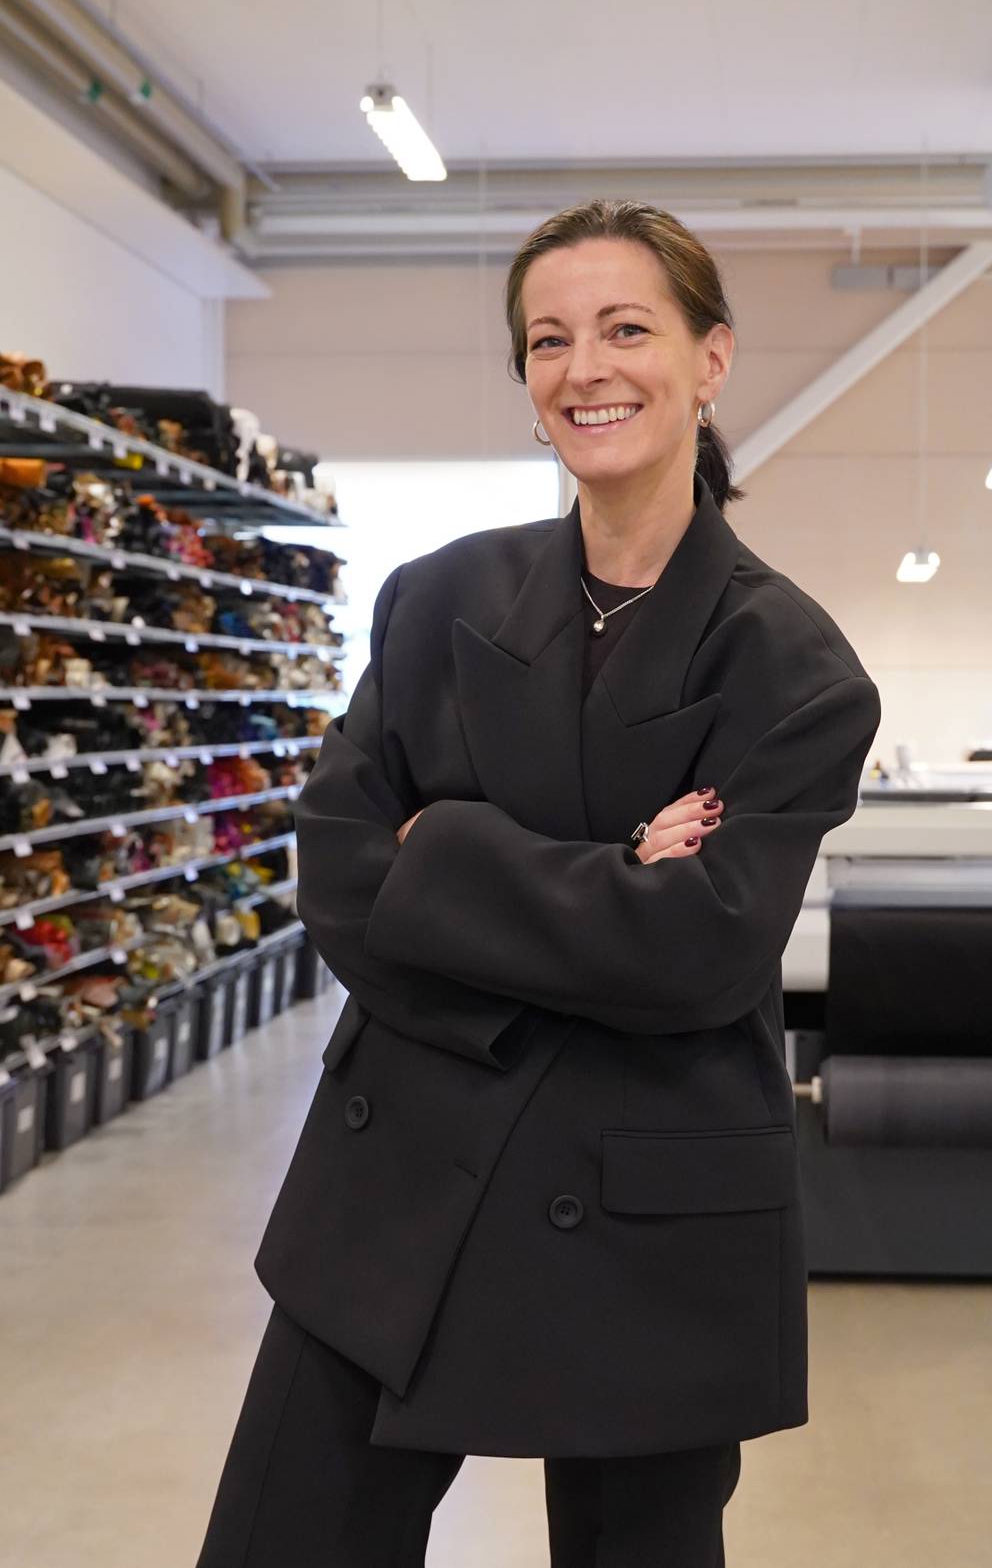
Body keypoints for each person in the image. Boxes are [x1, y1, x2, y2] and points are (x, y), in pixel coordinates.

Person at [194, 198, 881, 1567]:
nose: (585, 368)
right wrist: (612, 878)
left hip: (648, 1205)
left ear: (711, 359)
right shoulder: (435, 602)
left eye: (627, 328)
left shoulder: (792, 666)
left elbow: (702, 951)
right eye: (549, 340)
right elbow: (339, 873)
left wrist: (442, 853)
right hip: (395, 1178)